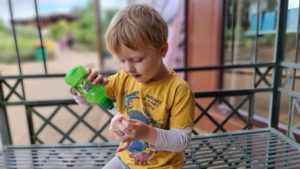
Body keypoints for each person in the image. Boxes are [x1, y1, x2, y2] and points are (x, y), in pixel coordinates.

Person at [70, 4, 195, 169]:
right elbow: (90, 100)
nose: (128, 68)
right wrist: (82, 90)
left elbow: (181, 141)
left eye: (137, 60)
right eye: (122, 60)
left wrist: (147, 133)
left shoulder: (179, 90)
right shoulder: (124, 78)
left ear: (162, 50)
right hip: (125, 160)